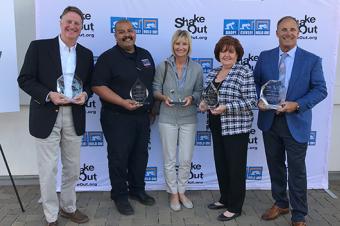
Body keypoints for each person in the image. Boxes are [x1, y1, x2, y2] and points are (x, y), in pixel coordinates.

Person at [17, 6, 93, 226]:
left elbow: (89, 83)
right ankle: (51, 215)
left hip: (74, 115)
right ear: (60, 23)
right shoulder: (39, 48)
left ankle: (69, 208)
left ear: (81, 27)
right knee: (48, 170)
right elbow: (25, 79)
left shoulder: (86, 54)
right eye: (68, 22)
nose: (72, 26)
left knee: (73, 168)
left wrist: (85, 94)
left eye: (77, 23)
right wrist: (48, 94)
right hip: (46, 114)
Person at [254, 16, 327, 226]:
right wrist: (260, 99)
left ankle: (299, 214)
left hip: (296, 121)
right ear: (276, 33)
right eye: (283, 29)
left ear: (298, 33)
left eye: (292, 29)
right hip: (270, 121)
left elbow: (320, 89)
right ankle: (281, 203)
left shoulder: (312, 60)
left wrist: (297, 104)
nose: (288, 33)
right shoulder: (265, 57)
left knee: (296, 170)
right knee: (275, 166)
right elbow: (256, 82)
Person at [91, 19, 155, 216]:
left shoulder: (145, 55)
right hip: (117, 116)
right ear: (115, 35)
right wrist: (121, 102)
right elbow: (97, 86)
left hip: (142, 117)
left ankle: (137, 190)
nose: (127, 35)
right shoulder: (107, 58)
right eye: (121, 32)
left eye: (130, 31)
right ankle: (119, 195)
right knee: (119, 158)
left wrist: (153, 109)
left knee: (140, 155)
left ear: (135, 33)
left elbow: (151, 83)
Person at [199, 36, 257, 221]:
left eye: (231, 51)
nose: (227, 54)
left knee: (235, 167)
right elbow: (207, 96)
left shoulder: (243, 71)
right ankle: (225, 198)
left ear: (237, 54)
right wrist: (203, 104)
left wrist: (227, 107)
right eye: (223, 51)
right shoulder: (213, 72)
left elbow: (251, 101)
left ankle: (235, 206)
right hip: (216, 125)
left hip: (236, 128)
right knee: (221, 164)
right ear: (218, 54)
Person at [153, 30, 203, 211]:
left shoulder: (197, 68)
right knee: (169, 158)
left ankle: (182, 191)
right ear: (173, 45)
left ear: (189, 46)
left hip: (188, 117)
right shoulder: (163, 66)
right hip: (167, 117)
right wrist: (162, 97)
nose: (180, 47)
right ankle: (173, 193)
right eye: (177, 43)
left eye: (184, 44)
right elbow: (155, 89)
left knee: (185, 158)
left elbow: (199, 91)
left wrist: (193, 97)